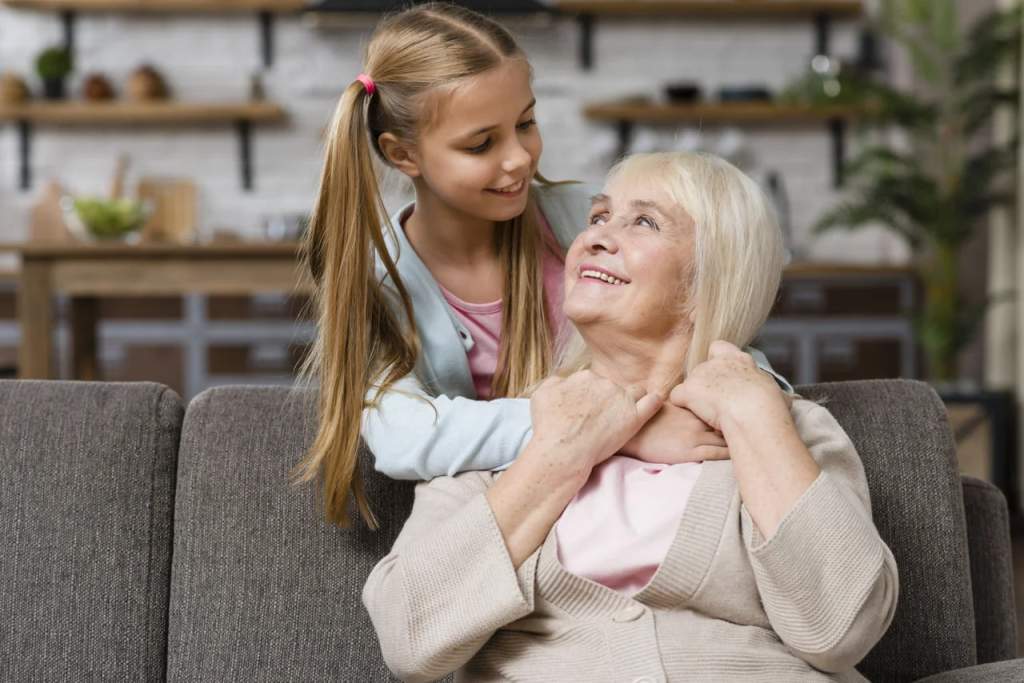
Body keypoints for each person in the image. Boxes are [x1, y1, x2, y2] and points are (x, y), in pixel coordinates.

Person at [362, 151, 899, 682]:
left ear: (707, 278)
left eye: (644, 221)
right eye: (598, 217)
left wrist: (755, 415)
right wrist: (562, 452)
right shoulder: (503, 442)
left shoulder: (788, 428)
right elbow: (410, 639)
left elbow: (841, 630)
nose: (595, 236)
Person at [289, 2, 791, 527]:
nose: (520, 159)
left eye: (526, 123)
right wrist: (615, 429)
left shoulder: (587, 224)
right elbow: (403, 437)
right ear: (403, 155)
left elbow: (711, 323)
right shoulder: (375, 279)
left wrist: (753, 400)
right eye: (481, 143)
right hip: (513, 518)